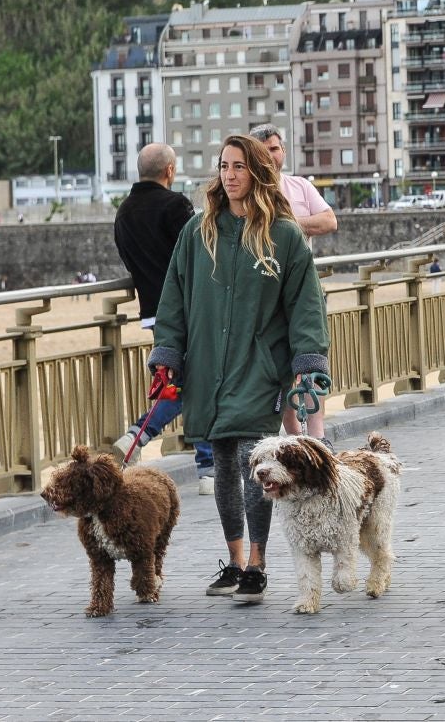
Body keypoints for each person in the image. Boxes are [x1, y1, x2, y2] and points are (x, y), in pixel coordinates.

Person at [149, 134, 330, 604]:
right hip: (208, 365)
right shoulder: (198, 232)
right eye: (223, 166)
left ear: (257, 172)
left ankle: (258, 563)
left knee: (258, 462)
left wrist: (307, 365)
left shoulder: (284, 236)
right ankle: (233, 561)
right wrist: (167, 357)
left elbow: (305, 306)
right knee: (224, 463)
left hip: (259, 366)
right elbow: (173, 299)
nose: (229, 175)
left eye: (238, 166)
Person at [110, 144, 215, 493]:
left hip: (154, 312)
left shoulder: (123, 212)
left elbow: (130, 260)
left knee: (182, 382)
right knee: (196, 384)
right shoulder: (176, 205)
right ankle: (143, 434)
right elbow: (201, 251)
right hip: (189, 309)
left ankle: (206, 464)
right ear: (169, 170)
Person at [248, 125, 336, 444]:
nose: (272, 154)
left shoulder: (299, 186)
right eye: (264, 149)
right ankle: (294, 435)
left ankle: (318, 435)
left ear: (283, 152)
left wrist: (292, 226)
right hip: (264, 292)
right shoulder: (248, 191)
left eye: (276, 148)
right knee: (278, 366)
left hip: (302, 288)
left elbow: (329, 220)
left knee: (311, 358)